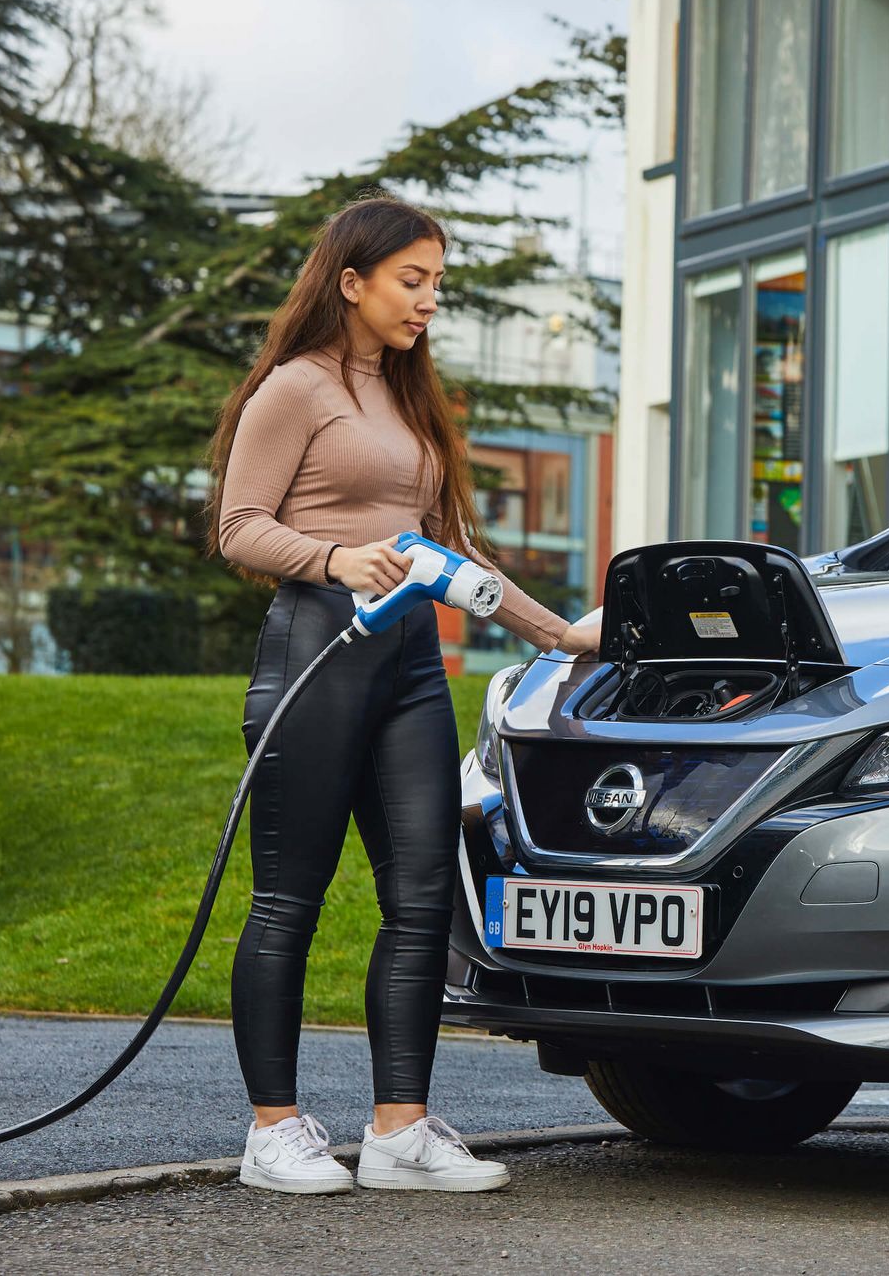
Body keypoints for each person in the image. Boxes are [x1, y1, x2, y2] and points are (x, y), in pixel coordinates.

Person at [204, 194, 600, 1194]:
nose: (428, 301)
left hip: (412, 665)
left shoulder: (412, 396)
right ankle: (273, 1128)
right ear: (352, 282)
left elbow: (452, 551)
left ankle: (399, 1129)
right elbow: (241, 527)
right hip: (317, 655)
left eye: (437, 284)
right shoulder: (294, 389)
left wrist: (559, 633)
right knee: (288, 900)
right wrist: (338, 557)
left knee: (421, 894)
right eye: (411, 281)